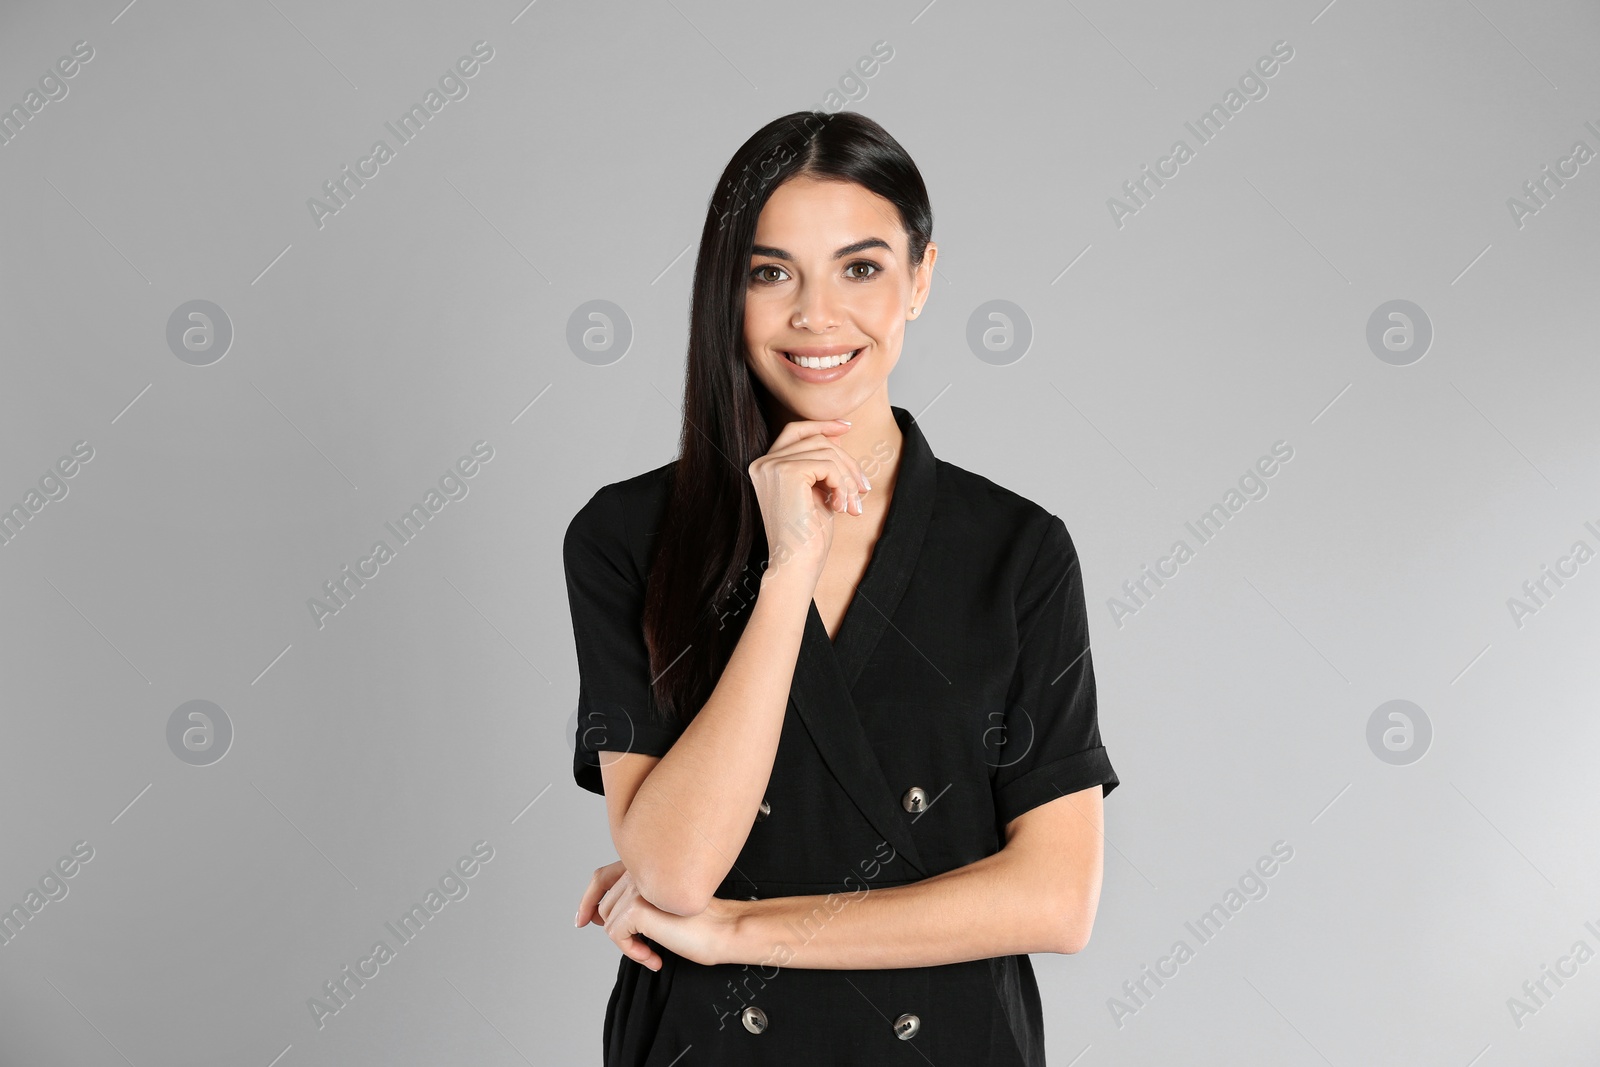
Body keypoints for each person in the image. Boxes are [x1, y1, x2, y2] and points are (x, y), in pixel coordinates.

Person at [564, 109, 1119, 1066]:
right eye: (770, 272)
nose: (816, 316)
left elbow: (1056, 900)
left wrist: (742, 933)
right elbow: (675, 869)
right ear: (724, 293)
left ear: (922, 279)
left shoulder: (1017, 550)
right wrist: (787, 572)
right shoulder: (624, 536)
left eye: (860, 268)